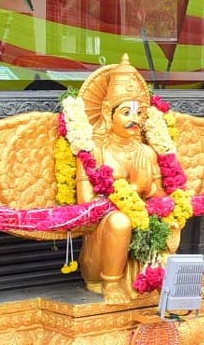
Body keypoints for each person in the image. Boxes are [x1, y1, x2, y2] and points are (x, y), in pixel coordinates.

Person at [76, 55, 176, 301]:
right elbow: (86, 208)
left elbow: (163, 197)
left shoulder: (147, 152)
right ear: (108, 114)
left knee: (172, 218)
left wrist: (150, 190)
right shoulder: (93, 153)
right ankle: (111, 284)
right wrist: (132, 189)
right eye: (126, 112)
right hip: (101, 249)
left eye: (140, 112)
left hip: (142, 236)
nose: (135, 119)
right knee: (119, 221)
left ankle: (156, 278)